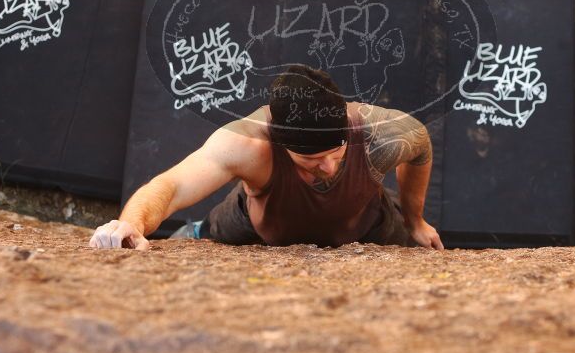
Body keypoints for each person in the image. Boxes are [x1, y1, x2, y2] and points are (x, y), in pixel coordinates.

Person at [89, 65, 444, 251]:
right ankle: (198, 232)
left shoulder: (380, 133)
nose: (329, 167)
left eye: (336, 153)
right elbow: (171, 185)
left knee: (406, 240)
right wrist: (132, 224)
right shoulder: (246, 143)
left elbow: (421, 147)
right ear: (280, 143)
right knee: (215, 229)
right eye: (312, 161)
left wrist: (416, 220)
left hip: (365, 221)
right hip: (259, 225)